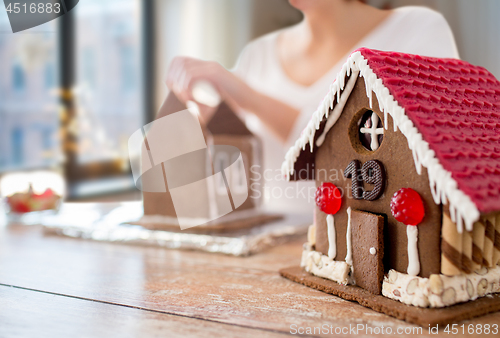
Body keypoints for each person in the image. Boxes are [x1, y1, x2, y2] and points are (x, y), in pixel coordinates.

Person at [166, 0, 459, 212]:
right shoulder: (257, 54)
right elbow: (244, 166)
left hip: (367, 250)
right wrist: (208, 121)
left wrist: (246, 95)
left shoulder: (417, 30)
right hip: (264, 253)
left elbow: (404, 155)